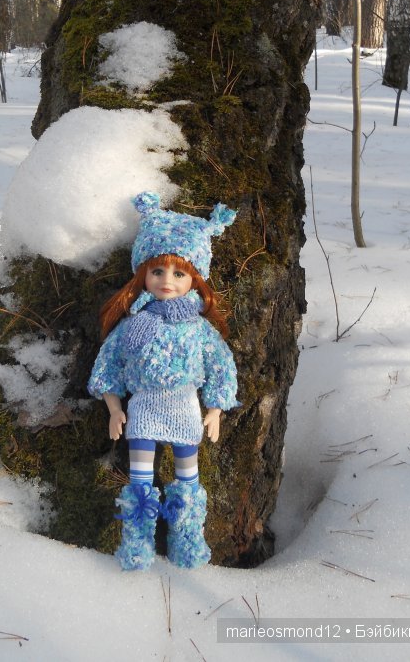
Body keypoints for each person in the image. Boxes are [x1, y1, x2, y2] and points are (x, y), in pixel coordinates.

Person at [88, 191, 239, 570]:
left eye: (179, 273)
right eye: (157, 271)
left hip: (186, 409)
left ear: (195, 279)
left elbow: (221, 365)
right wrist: (114, 408)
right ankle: (137, 543)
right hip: (142, 410)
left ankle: (187, 539)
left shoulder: (198, 329)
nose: (166, 281)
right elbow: (109, 365)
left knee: (188, 479)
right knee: (140, 482)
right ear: (143, 274)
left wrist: (215, 409)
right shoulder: (133, 325)